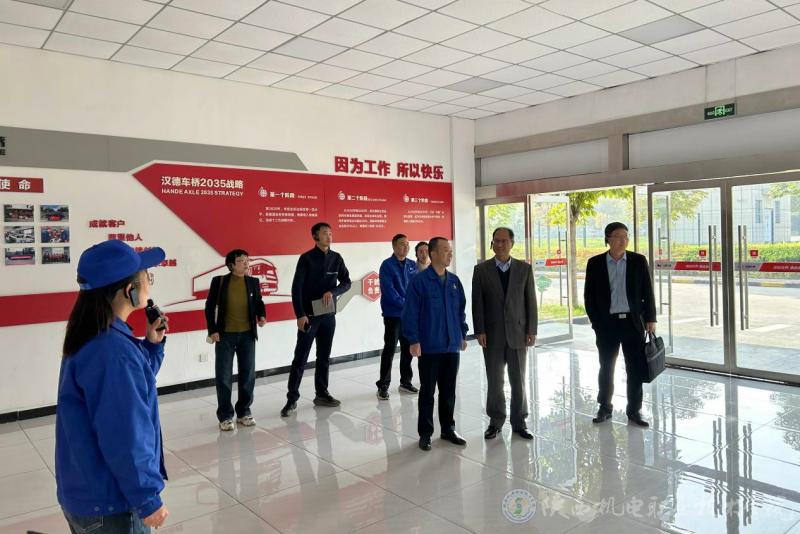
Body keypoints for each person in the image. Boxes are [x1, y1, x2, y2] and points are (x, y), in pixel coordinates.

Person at [56, 240, 169, 533]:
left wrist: (152, 346)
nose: (150, 284)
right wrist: (147, 498)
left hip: (86, 492)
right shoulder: (114, 352)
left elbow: (131, 388)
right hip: (111, 505)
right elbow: (126, 433)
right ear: (129, 290)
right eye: (147, 277)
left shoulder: (93, 335)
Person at [584, 222, 656, 427]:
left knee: (635, 368)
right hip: (607, 325)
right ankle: (604, 407)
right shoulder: (595, 263)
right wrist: (596, 322)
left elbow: (647, 291)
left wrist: (651, 318)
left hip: (633, 324)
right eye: (618, 236)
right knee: (606, 366)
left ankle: (634, 410)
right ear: (608, 239)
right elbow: (589, 295)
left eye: (626, 236)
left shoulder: (638, 261)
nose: (623, 240)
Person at [402, 237, 469, 451]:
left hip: (451, 345)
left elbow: (460, 311)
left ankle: (448, 429)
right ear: (433, 254)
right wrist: (414, 340)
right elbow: (410, 313)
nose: (450, 254)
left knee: (449, 391)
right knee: (428, 392)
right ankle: (425, 433)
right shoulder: (419, 282)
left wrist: (462, 334)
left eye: (451, 250)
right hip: (429, 346)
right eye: (446, 250)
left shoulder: (454, 281)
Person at [472, 227, 537, 440]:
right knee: (495, 380)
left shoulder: (524, 269)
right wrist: (480, 330)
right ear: (492, 243)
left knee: (519, 380)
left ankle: (519, 421)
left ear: (512, 243)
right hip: (492, 335)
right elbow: (477, 303)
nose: (499, 245)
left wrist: (532, 330)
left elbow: (530, 301)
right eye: (496, 241)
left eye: (504, 241)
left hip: (518, 333)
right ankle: (495, 421)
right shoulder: (481, 270)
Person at [281, 222, 351, 417]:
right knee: (300, 358)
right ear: (315, 237)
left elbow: (346, 282)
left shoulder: (336, 258)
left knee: (324, 357)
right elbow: (296, 289)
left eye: (330, 233)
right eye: (325, 233)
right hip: (309, 317)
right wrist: (300, 314)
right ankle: (292, 399)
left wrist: (333, 292)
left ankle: (321, 394)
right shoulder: (306, 259)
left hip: (328, 315)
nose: (329, 236)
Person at [205, 249, 267, 431]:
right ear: (231, 265)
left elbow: (259, 302)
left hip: (247, 335)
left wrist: (262, 316)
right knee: (224, 376)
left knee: (247, 374)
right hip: (224, 335)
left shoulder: (253, 282)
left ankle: (244, 412)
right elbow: (209, 307)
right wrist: (212, 330)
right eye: (241, 261)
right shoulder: (219, 281)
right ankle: (225, 416)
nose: (246, 263)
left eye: (247, 260)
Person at [376, 233, 419, 400]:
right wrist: (407, 304)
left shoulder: (412, 265)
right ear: (394, 246)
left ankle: (405, 381)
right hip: (393, 315)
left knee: (408, 349)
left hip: (409, 315)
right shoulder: (387, 265)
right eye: (402, 244)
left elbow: (416, 288)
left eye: (408, 244)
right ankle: (383, 385)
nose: (406, 247)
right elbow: (388, 291)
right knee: (390, 349)